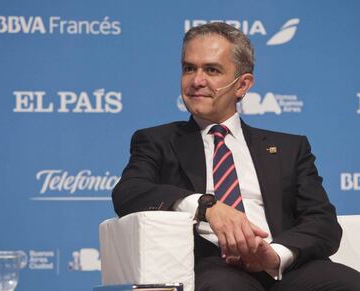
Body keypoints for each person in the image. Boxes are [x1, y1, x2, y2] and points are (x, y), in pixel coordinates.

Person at [112, 22, 360, 290]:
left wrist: (274, 254)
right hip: (217, 266)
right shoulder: (158, 141)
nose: (196, 81)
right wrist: (205, 206)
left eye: (212, 70)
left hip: (285, 265)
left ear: (242, 85)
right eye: (189, 68)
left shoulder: (290, 148)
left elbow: (322, 223)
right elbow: (129, 192)